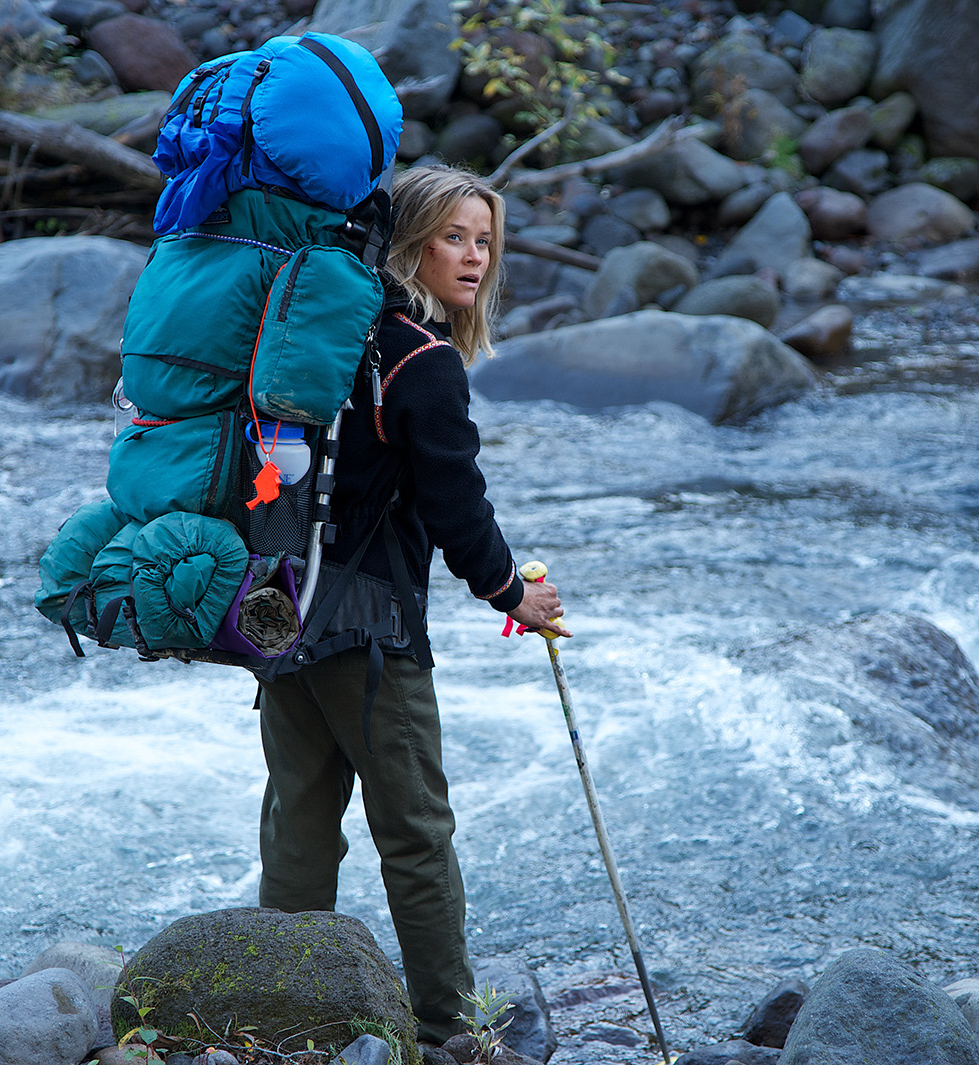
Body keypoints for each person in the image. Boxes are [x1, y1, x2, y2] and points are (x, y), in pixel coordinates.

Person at [255, 163, 570, 1046]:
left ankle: (286, 1016)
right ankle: (448, 1029)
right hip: (369, 628)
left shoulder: (327, 336)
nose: (474, 259)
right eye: (454, 238)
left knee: (300, 818)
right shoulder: (424, 365)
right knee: (418, 835)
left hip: (277, 604)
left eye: (485, 241)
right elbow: (457, 510)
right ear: (409, 245)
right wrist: (519, 595)